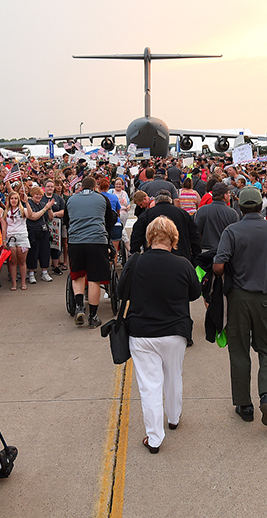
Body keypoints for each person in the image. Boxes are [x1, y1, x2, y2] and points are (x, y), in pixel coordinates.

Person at [120, 216, 201, 454]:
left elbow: (120, 291)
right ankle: (173, 418)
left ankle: (154, 437)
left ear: (149, 237)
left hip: (142, 331)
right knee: (174, 375)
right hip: (175, 331)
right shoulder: (184, 264)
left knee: (150, 385)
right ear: (174, 239)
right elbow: (195, 293)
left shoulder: (135, 262)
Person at [213, 187, 267, 426]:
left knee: (239, 350)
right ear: (261, 206)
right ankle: (266, 395)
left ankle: (244, 405)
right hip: (266, 299)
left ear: (240, 206)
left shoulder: (232, 230)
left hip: (238, 297)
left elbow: (218, 267)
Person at [64, 177, 114, 328]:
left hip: (76, 241)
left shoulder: (71, 200)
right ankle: (93, 316)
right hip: (96, 241)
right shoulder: (102, 199)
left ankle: (79, 306)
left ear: (81, 186)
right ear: (95, 186)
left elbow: (67, 220)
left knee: (77, 275)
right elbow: (109, 220)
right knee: (94, 279)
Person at [129, 189, 201, 261]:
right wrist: (196, 256)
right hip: (181, 257)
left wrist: (135, 255)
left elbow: (136, 235)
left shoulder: (146, 215)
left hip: (153, 259)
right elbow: (194, 235)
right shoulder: (183, 214)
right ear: (170, 200)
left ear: (156, 200)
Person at [193, 182, 238, 253]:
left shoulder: (202, 210)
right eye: (228, 193)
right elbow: (235, 237)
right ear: (225, 196)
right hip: (225, 252)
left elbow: (196, 232)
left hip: (206, 251)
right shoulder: (232, 213)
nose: (230, 195)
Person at [25, 184, 54, 284]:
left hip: (44, 231)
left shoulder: (43, 204)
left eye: (40, 195)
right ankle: (31, 273)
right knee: (33, 253)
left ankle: (44, 272)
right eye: (36, 194)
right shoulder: (28, 204)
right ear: (32, 195)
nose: (38, 197)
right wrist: (45, 208)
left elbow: (50, 217)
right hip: (33, 231)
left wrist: (49, 208)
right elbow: (33, 216)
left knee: (45, 252)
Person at [4, 190, 30, 291]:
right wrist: (4, 240)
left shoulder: (22, 209)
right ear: (9, 200)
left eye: (15, 198)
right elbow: (4, 227)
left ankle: (23, 282)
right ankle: (14, 283)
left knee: (22, 262)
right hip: (11, 238)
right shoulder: (6, 211)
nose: (13, 200)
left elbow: (30, 215)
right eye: (12, 198)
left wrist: (27, 202)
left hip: (22, 237)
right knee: (12, 262)